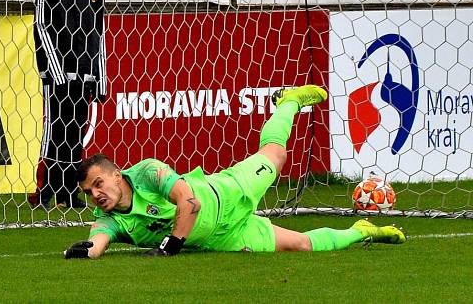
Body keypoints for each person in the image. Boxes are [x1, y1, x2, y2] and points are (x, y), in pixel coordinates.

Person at [64, 85, 406, 258]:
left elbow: (189, 202)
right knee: (301, 245)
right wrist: (83, 251)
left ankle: (288, 102)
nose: (96, 194)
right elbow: (97, 242)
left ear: (117, 175)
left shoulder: (148, 173)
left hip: (226, 192)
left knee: (275, 154)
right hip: (224, 237)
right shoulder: (106, 216)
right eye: (89, 192)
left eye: (98, 184)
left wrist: (172, 244)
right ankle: (364, 230)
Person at [29, 0, 106, 210]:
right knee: (55, 131)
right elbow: (41, 26)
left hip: (85, 74)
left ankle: (69, 192)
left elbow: (99, 35)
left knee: (76, 132)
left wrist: (101, 78)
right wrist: (56, 69)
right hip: (56, 75)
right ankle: (46, 189)